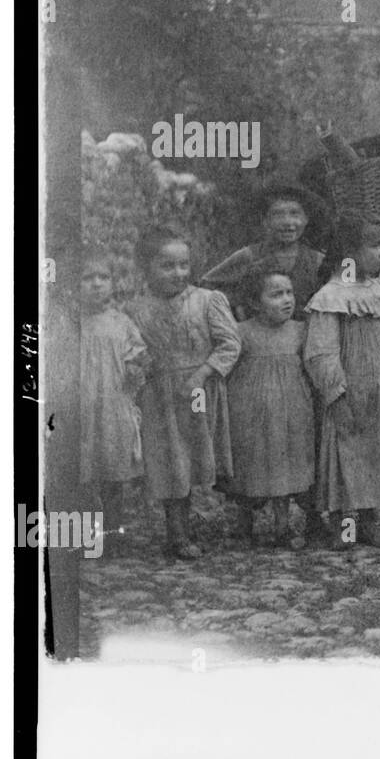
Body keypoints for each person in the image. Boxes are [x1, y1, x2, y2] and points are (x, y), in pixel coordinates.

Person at [125, 224, 241, 559]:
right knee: (170, 464)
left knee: (196, 462)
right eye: (167, 266)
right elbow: (133, 352)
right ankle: (177, 533)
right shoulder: (135, 310)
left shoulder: (208, 301)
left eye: (184, 265)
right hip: (160, 399)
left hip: (198, 393)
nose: (178, 273)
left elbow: (229, 344)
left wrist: (202, 373)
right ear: (146, 269)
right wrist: (137, 368)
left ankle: (233, 520)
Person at [304, 213, 380, 549]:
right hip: (350, 392)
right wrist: (335, 394)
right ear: (347, 252)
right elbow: (321, 353)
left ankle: (369, 523)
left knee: (376, 457)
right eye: (374, 246)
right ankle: (344, 527)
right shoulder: (331, 296)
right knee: (346, 460)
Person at [226, 266, 317, 550]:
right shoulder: (241, 332)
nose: (287, 300)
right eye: (276, 294)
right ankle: (243, 525)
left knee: (285, 463)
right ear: (255, 302)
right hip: (250, 409)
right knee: (248, 463)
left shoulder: (301, 331)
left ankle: (282, 526)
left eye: (290, 293)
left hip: (291, 409)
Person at [79, 248, 147, 555]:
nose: (96, 284)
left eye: (103, 277)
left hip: (113, 405)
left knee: (112, 474)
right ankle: (83, 535)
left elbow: (139, 355)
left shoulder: (121, 321)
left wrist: (136, 367)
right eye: (87, 278)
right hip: (79, 408)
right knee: (81, 473)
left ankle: (113, 533)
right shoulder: (70, 322)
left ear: (113, 283)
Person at [200, 183, 327, 320]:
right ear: (265, 221)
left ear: (306, 219)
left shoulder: (318, 261)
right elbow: (205, 288)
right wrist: (237, 310)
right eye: (278, 215)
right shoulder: (249, 256)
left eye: (295, 214)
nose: (288, 222)